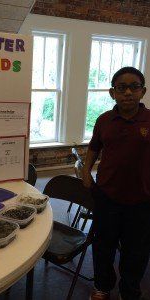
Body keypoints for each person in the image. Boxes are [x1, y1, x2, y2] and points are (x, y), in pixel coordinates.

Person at [82, 67, 150, 300]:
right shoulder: (104, 120)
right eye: (121, 88)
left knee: (136, 251)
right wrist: (85, 172)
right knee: (103, 246)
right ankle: (102, 286)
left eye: (134, 87)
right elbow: (93, 148)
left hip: (142, 199)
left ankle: (129, 291)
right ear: (112, 92)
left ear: (143, 91)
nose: (128, 92)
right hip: (107, 196)